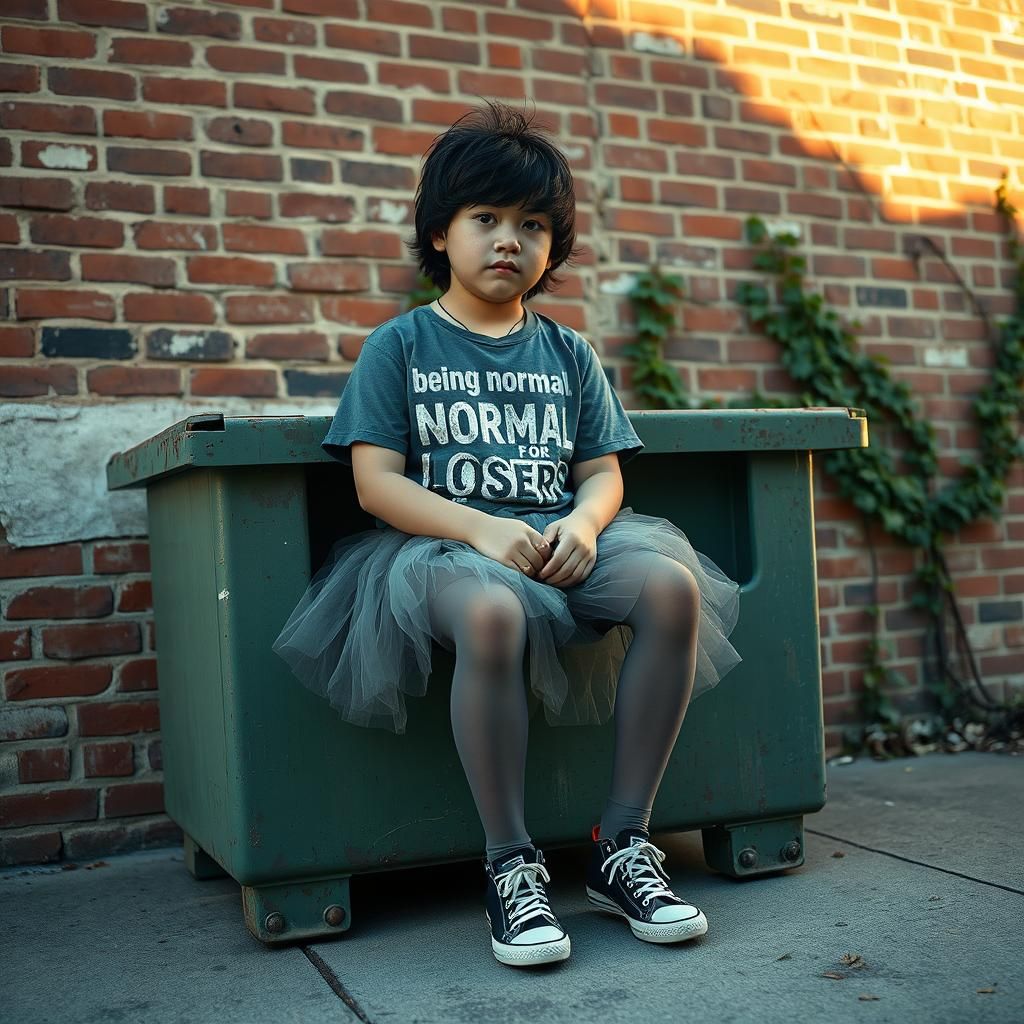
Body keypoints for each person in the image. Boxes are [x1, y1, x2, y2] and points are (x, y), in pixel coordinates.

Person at [273, 99, 742, 968]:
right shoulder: (400, 347)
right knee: (494, 614)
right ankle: (510, 863)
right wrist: (481, 530)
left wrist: (587, 524)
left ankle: (622, 845)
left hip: (557, 544)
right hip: (443, 551)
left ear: (552, 248)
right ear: (440, 232)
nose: (508, 241)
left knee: (672, 587)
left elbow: (602, 472)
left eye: (532, 225)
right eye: (484, 218)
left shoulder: (568, 355)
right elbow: (376, 484)